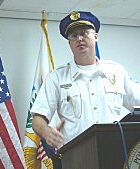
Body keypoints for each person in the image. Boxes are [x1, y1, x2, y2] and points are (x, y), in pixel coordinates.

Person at [31, 11, 140, 150]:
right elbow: (37, 119)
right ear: (69, 43)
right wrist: (46, 132)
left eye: (84, 33)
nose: (79, 38)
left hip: (115, 152)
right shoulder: (56, 78)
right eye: (74, 36)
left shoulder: (117, 72)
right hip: (76, 156)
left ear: (95, 37)